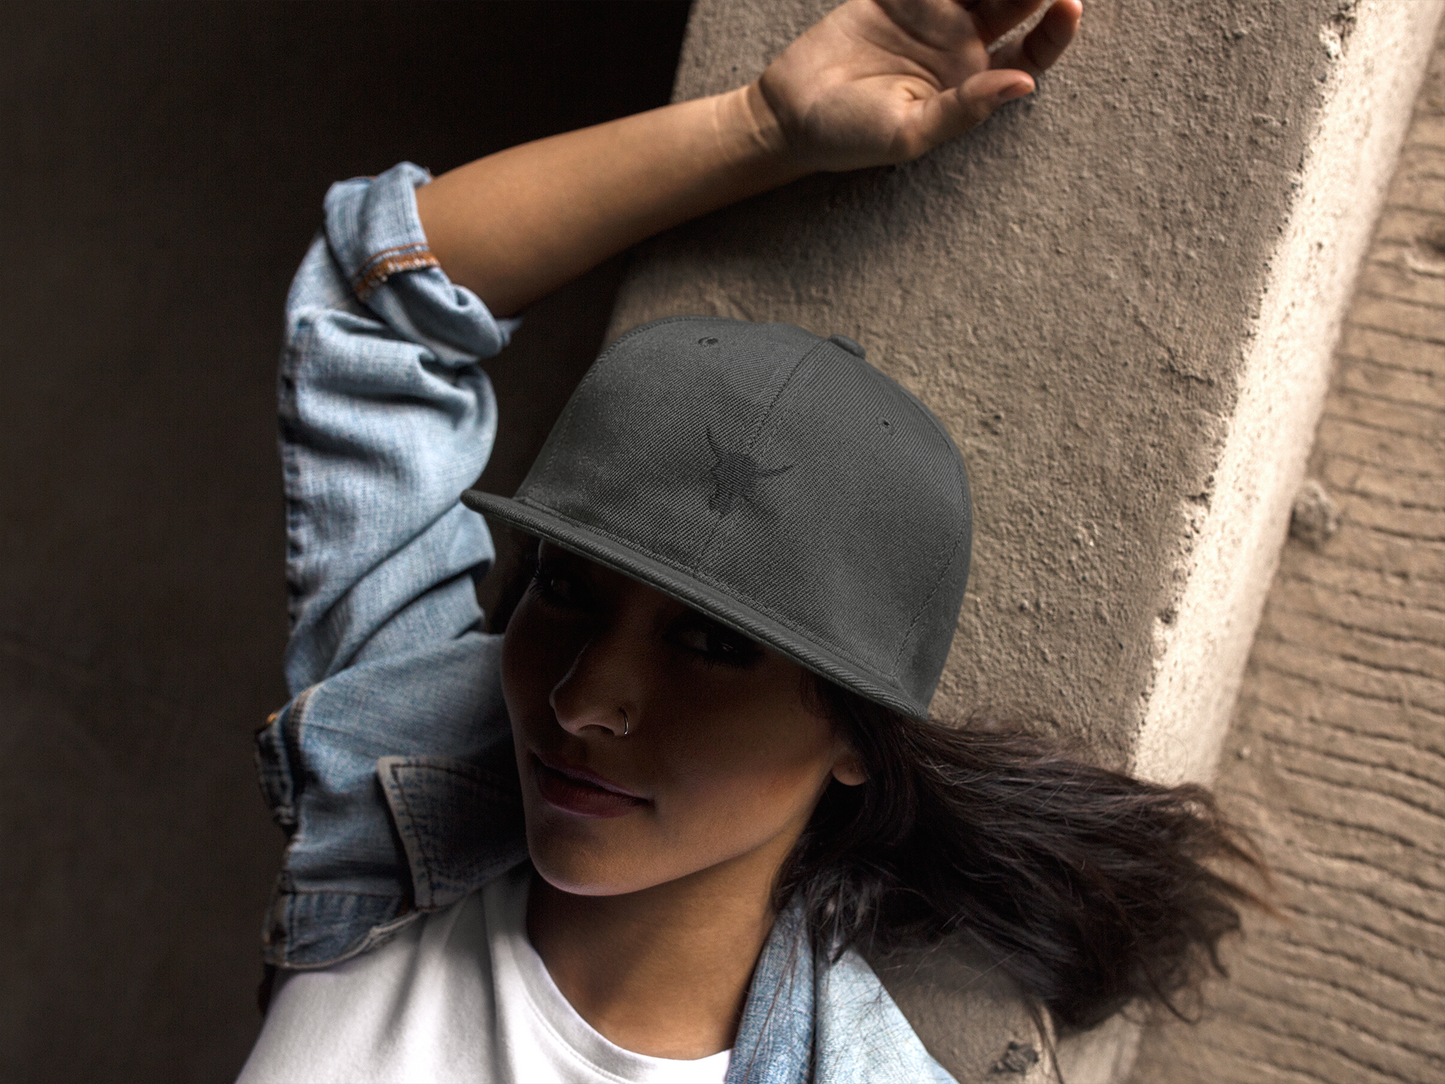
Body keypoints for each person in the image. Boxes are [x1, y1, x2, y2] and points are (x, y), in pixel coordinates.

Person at [239, 1, 1262, 1081]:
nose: (585, 697)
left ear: (857, 737)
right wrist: (758, 127)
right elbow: (376, 312)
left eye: (714, 643)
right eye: (565, 587)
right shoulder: (409, 778)